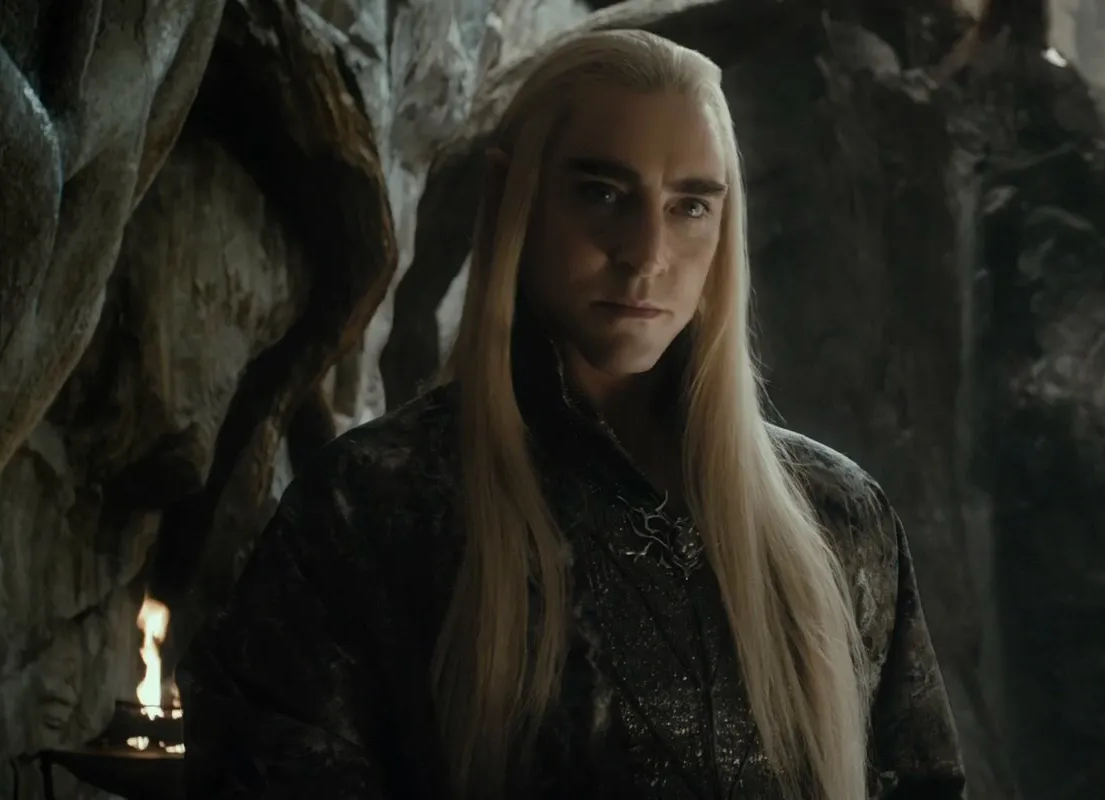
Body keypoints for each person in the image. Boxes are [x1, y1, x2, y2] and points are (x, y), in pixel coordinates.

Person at [180, 29, 966, 800]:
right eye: (603, 194)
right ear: (512, 198)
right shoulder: (373, 507)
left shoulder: (839, 515)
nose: (647, 253)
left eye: (690, 206)